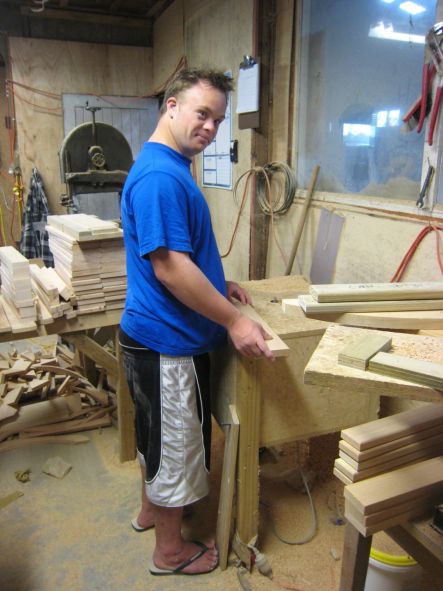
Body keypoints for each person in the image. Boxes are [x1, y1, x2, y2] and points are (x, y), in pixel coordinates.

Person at [119, 67, 274, 577]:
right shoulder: (163, 176)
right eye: (201, 113)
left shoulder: (166, 163)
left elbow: (180, 254)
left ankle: (149, 512)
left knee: (154, 438)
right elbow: (169, 266)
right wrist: (234, 321)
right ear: (171, 106)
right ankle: (170, 552)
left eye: (218, 119)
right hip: (169, 343)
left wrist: (216, 279)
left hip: (151, 334)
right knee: (178, 447)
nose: (210, 127)